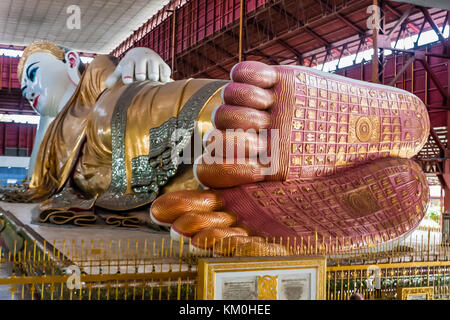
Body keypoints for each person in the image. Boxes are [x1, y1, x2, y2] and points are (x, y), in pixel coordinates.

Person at [10, 41, 430, 255]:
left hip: (121, 112)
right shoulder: (53, 141)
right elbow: (40, 182)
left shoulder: (99, 75)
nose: (27, 88)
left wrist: (139, 52)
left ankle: (274, 128)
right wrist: (47, 126)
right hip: (107, 178)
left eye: (31, 73)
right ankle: (278, 177)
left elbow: (126, 72)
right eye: (23, 85)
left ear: (68, 62)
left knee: (208, 114)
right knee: (197, 181)